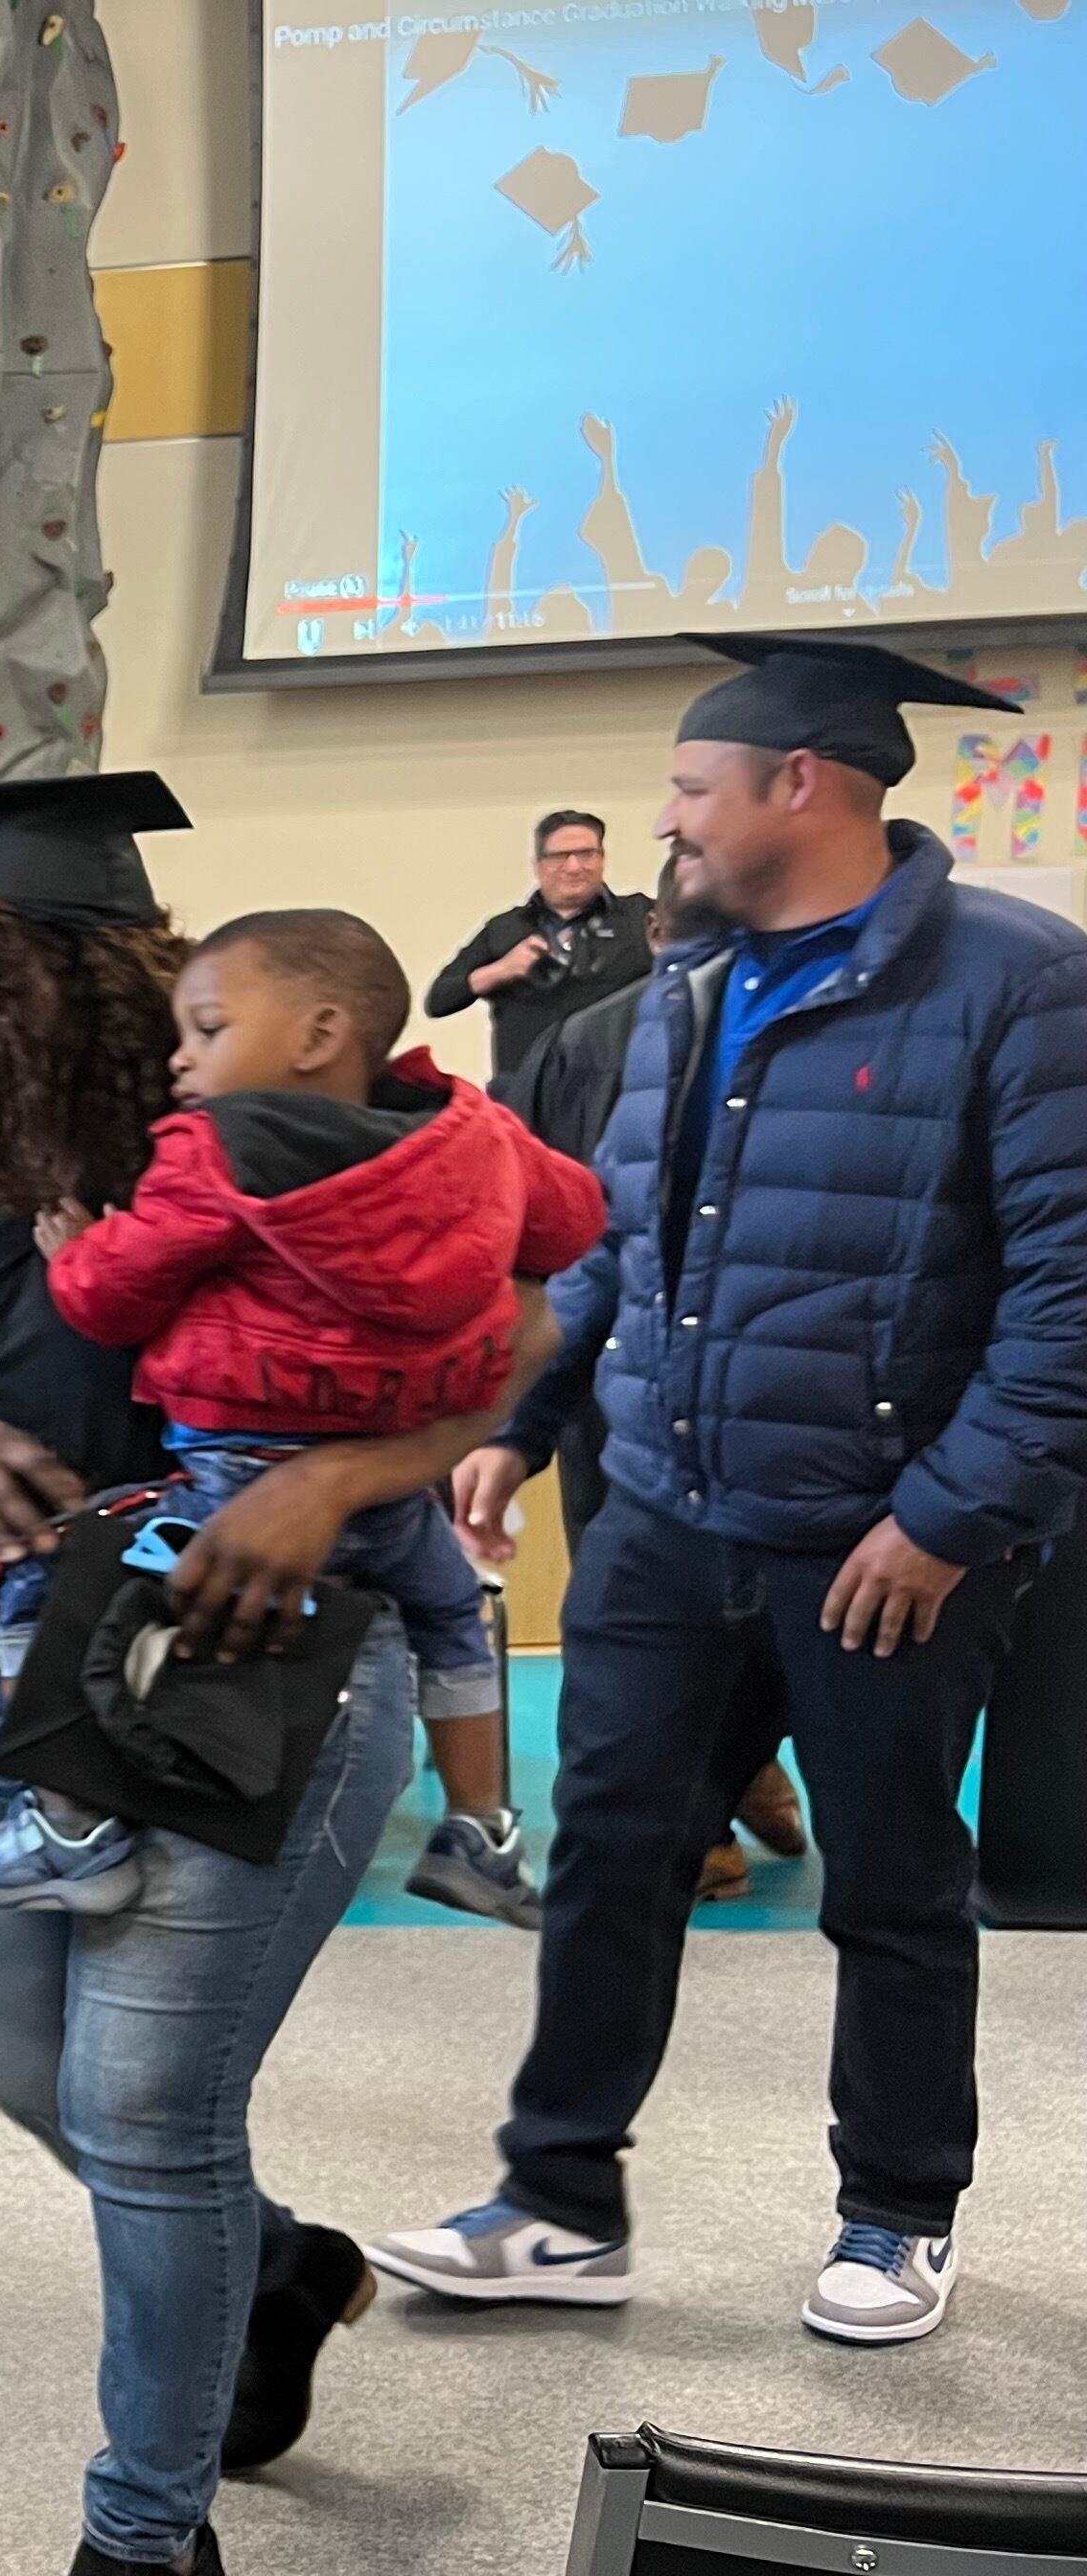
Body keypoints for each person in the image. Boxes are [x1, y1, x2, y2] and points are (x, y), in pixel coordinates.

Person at [0, 773, 560, 2576]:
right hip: (22, 1688)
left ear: (101, 987)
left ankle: (142, 2537)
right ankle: (277, 2263)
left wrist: (331, 1476)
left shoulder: (266, 1129)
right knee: (27, 2070)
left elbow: (520, 1326)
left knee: (143, 2113)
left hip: (261, 1675)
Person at [378, 637, 1087, 2348]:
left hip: (882, 1538)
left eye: (689, 790)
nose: (661, 824)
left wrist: (944, 1515)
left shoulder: (1019, 981)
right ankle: (557, 2202)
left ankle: (894, 2208)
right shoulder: (685, 992)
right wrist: (519, 1417)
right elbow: (626, 1241)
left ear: (799, 785)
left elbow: (1071, 1286)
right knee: (611, 1850)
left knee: (889, 1876)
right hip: (669, 1514)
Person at [0, 911, 599, 1917]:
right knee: (454, 1621)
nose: (179, 1059)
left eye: (205, 1030)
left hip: (231, 1487)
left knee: (38, 1572)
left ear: (316, 1034)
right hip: (393, 1490)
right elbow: (575, 1217)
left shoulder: (215, 1154)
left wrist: (73, 1249)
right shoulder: (476, 1129)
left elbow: (112, 1298)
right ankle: (482, 1830)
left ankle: (73, 1828)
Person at [483, 857, 808, 1904]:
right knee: (642, 1614)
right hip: (613, 1367)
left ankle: (739, 1772)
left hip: (753, 1381)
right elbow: (548, 1209)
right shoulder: (593, 1038)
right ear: (655, 930)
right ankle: (709, 1803)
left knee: (752, 1609)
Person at [424, 809, 656, 1077]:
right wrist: (501, 971)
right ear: (538, 864)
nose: (574, 867)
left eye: (586, 854)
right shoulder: (506, 928)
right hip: (524, 1091)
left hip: (615, 1086)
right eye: (559, 857)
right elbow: (438, 1000)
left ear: (602, 859)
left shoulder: (641, 917)